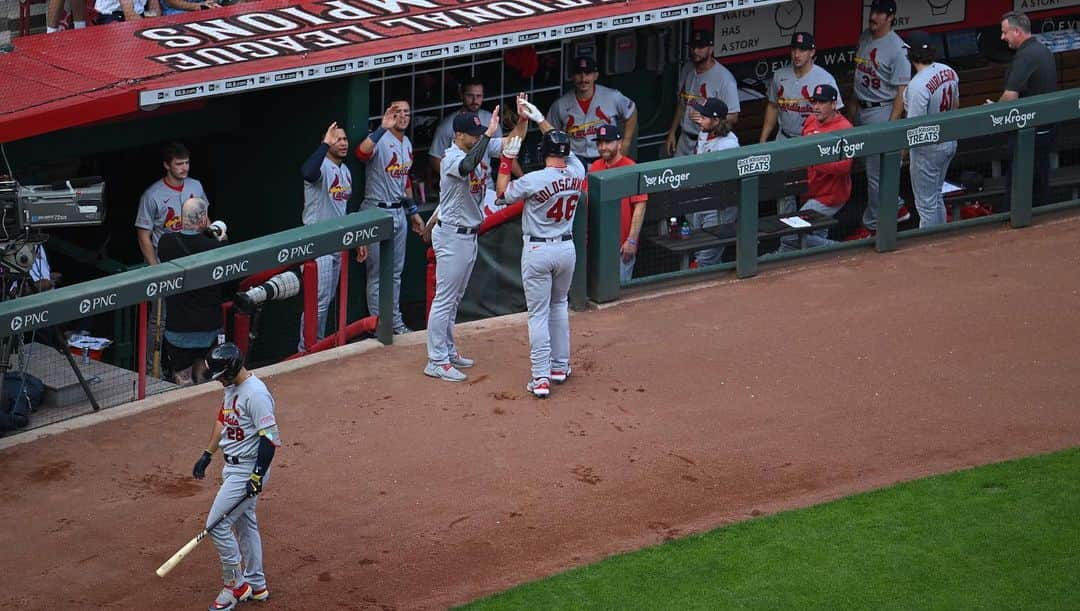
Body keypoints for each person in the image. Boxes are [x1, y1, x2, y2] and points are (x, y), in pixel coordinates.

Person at [496, 95, 584, 398]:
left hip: (537, 251)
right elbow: (563, 148)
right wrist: (541, 120)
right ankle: (559, 366)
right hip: (566, 249)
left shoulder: (534, 180)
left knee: (537, 314)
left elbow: (501, 193)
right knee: (559, 306)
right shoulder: (578, 172)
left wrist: (507, 158)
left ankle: (541, 377)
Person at [191, 343, 280, 611]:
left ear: (230, 371)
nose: (219, 383)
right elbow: (223, 419)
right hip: (232, 467)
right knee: (244, 525)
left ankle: (236, 585)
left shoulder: (256, 395)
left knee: (216, 525)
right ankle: (257, 584)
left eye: (220, 377)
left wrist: (256, 476)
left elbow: (270, 439)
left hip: (248, 470)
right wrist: (208, 453)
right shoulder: (232, 388)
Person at [424, 107, 503, 382]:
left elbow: (510, 145)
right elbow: (468, 165)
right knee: (444, 299)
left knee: (454, 299)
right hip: (453, 236)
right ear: (458, 135)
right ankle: (436, 360)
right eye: (473, 134)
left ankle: (446, 350)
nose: (478, 137)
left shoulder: (474, 150)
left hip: (467, 234)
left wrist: (525, 121)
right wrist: (489, 135)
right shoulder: (452, 157)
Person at [355, 102, 424, 336]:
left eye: (406, 112)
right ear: (389, 115)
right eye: (398, 112)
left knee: (395, 273)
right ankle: (379, 327)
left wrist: (413, 212)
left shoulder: (407, 143)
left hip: (398, 212)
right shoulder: (380, 138)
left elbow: (404, 182)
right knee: (377, 275)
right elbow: (361, 153)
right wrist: (381, 128)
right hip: (376, 209)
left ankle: (395, 322)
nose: (403, 116)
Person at [847, 0, 912, 240]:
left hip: (882, 112)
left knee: (876, 174)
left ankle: (871, 225)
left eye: (880, 13)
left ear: (891, 17)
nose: (873, 16)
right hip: (862, 108)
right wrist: (852, 114)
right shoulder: (865, 37)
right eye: (872, 11)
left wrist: (891, 126)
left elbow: (901, 94)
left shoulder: (898, 49)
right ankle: (897, 207)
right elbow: (858, 79)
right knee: (872, 170)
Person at [759, 32, 844, 215]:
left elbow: (836, 115)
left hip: (812, 142)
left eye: (803, 50)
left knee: (814, 191)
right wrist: (764, 139)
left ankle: (814, 236)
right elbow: (773, 106)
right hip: (786, 137)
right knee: (784, 190)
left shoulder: (824, 79)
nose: (797, 54)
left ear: (812, 52)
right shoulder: (780, 75)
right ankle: (787, 238)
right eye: (794, 49)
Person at [298, 122, 365, 351]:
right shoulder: (322, 167)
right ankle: (306, 349)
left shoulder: (345, 171)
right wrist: (325, 143)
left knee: (325, 300)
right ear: (326, 143)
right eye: (337, 139)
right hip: (317, 241)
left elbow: (342, 212)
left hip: (336, 241)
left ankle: (315, 346)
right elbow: (307, 172)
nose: (344, 143)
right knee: (318, 301)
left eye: (345, 138)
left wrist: (354, 239)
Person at [157, 197, 231, 385]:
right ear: (203, 218)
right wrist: (221, 239)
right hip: (208, 329)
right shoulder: (216, 247)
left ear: (182, 218)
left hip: (178, 330)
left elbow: (182, 241)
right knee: (204, 380)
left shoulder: (166, 243)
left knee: (184, 382)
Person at [994, 10, 1058, 211]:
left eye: (1005, 33)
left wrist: (992, 109)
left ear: (1016, 31)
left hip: (1029, 131)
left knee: (1020, 185)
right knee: (1040, 184)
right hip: (1045, 128)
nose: (1002, 37)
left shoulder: (1026, 56)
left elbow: (1010, 97)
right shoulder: (1042, 49)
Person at [779, 84, 854, 252]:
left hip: (830, 196)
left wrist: (815, 160)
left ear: (834, 105)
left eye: (822, 102)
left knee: (794, 230)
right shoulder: (811, 120)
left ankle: (842, 250)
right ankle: (824, 259)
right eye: (814, 102)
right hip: (811, 190)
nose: (816, 107)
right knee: (815, 237)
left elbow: (844, 167)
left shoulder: (845, 128)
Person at [904, 31, 959, 228]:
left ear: (910, 54)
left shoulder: (917, 85)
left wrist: (905, 152)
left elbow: (915, 128)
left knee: (926, 205)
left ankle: (930, 248)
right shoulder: (949, 71)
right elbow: (956, 105)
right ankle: (942, 240)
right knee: (936, 197)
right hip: (949, 142)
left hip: (928, 149)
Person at [583, 124, 648, 283]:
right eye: (599, 143)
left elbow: (640, 205)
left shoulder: (631, 168)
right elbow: (585, 200)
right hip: (598, 244)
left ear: (619, 144)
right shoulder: (596, 167)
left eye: (607, 142)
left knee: (620, 293)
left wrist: (632, 240)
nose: (602, 147)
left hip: (621, 245)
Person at [546, 56, 638, 167]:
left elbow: (631, 111)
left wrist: (626, 142)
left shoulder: (612, 96)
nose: (583, 78)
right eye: (579, 73)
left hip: (607, 160)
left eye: (588, 73)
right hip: (575, 163)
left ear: (596, 75)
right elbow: (549, 133)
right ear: (572, 77)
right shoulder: (560, 105)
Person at [666, 29, 740, 158]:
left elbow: (733, 116)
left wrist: (709, 120)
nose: (695, 51)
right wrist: (672, 132)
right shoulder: (688, 69)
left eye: (700, 47)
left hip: (708, 141)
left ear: (710, 49)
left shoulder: (725, 79)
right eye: (693, 47)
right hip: (684, 139)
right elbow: (683, 104)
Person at [136, 141, 209, 266]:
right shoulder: (152, 195)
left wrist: (214, 231)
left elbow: (205, 218)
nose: (185, 168)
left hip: (195, 255)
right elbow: (143, 236)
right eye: (179, 164)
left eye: (187, 163)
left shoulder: (196, 185)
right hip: (166, 260)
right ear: (167, 165)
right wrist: (155, 269)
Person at [687, 97, 739, 267]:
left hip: (720, 206)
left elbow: (729, 184)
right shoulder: (704, 133)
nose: (699, 119)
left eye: (704, 117)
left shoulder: (728, 145)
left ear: (716, 120)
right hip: (701, 200)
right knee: (698, 250)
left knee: (705, 258)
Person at [92, 0, 160, 23]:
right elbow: (129, 14)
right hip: (111, 15)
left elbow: (153, 7)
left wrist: (153, 23)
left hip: (139, 13)